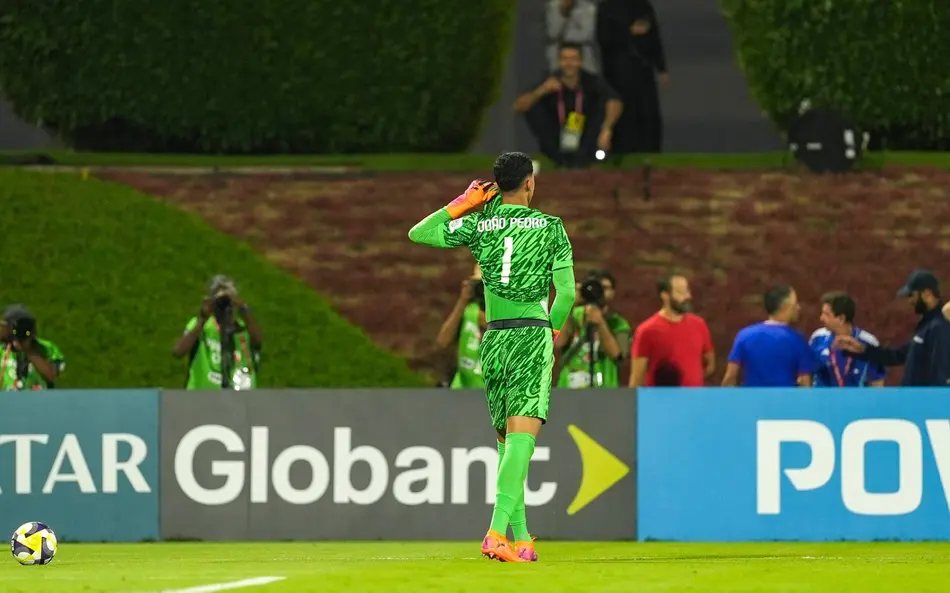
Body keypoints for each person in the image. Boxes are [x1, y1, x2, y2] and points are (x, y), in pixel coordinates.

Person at [408, 151, 575, 563]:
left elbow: (420, 233)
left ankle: (522, 538)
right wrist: (551, 332)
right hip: (531, 334)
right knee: (522, 438)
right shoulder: (551, 228)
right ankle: (496, 533)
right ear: (530, 182)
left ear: (497, 185)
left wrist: (462, 204)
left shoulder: (480, 224)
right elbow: (567, 294)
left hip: (494, 339)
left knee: (506, 441)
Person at [514, 42, 623, 169]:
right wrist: (541, 90)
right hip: (558, 136)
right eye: (564, 59)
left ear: (580, 61)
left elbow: (615, 101)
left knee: (602, 105)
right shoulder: (550, 80)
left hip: (586, 135)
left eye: (573, 59)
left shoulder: (591, 81)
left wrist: (607, 129)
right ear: (559, 61)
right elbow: (518, 107)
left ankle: (585, 159)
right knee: (534, 107)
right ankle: (560, 159)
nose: (569, 63)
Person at [835, 270, 950, 386]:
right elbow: (898, 356)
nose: (910, 301)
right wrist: (862, 349)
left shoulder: (939, 327)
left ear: (927, 294)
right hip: (914, 395)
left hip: (923, 397)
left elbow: (940, 374)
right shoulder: (927, 325)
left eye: (912, 295)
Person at [596, 0, 669, 154]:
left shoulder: (643, 5)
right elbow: (603, 38)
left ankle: (649, 150)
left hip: (643, 71)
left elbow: (654, 36)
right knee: (623, 112)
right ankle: (620, 149)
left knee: (647, 112)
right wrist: (629, 31)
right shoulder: (607, 7)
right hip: (617, 72)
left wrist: (661, 66)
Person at [173, 275, 263, 390]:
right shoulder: (201, 326)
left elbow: (258, 341)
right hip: (202, 395)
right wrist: (202, 318)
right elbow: (178, 352)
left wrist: (244, 309)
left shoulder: (243, 328)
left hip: (237, 396)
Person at [722, 285, 817, 387]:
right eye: (795, 303)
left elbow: (730, 378)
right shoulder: (797, 340)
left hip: (752, 397)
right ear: (785, 306)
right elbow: (805, 383)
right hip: (785, 397)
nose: (798, 307)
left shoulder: (744, 335)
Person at [629, 273, 713, 387]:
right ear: (665, 295)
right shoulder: (647, 331)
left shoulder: (699, 325)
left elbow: (709, 364)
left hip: (694, 397)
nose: (688, 296)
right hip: (661, 397)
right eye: (681, 292)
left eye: (687, 291)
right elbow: (637, 378)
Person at [555, 269, 631, 389]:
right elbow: (558, 343)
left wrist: (600, 322)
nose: (599, 292)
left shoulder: (618, 323)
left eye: (604, 288)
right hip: (569, 389)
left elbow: (617, 355)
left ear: (613, 292)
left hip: (604, 391)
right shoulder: (574, 315)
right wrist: (569, 305)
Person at [809, 291, 886, 387]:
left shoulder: (869, 343)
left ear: (841, 319)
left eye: (826, 314)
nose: (821, 318)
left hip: (856, 396)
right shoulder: (817, 338)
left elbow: (877, 382)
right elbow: (807, 374)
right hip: (822, 396)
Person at [435, 263, 487, 389]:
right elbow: (442, 341)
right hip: (463, 389)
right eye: (480, 285)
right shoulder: (469, 311)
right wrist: (462, 301)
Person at [0, 305, 65, 391]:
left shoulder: (46, 348)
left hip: (39, 398)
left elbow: (51, 376)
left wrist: (29, 350)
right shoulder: (2, 349)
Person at [546, 0, 600, 74]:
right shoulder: (553, 6)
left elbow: (586, 35)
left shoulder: (588, 8)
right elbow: (552, 33)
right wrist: (563, 12)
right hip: (558, 50)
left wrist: (572, 14)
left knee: (587, 76)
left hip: (582, 50)